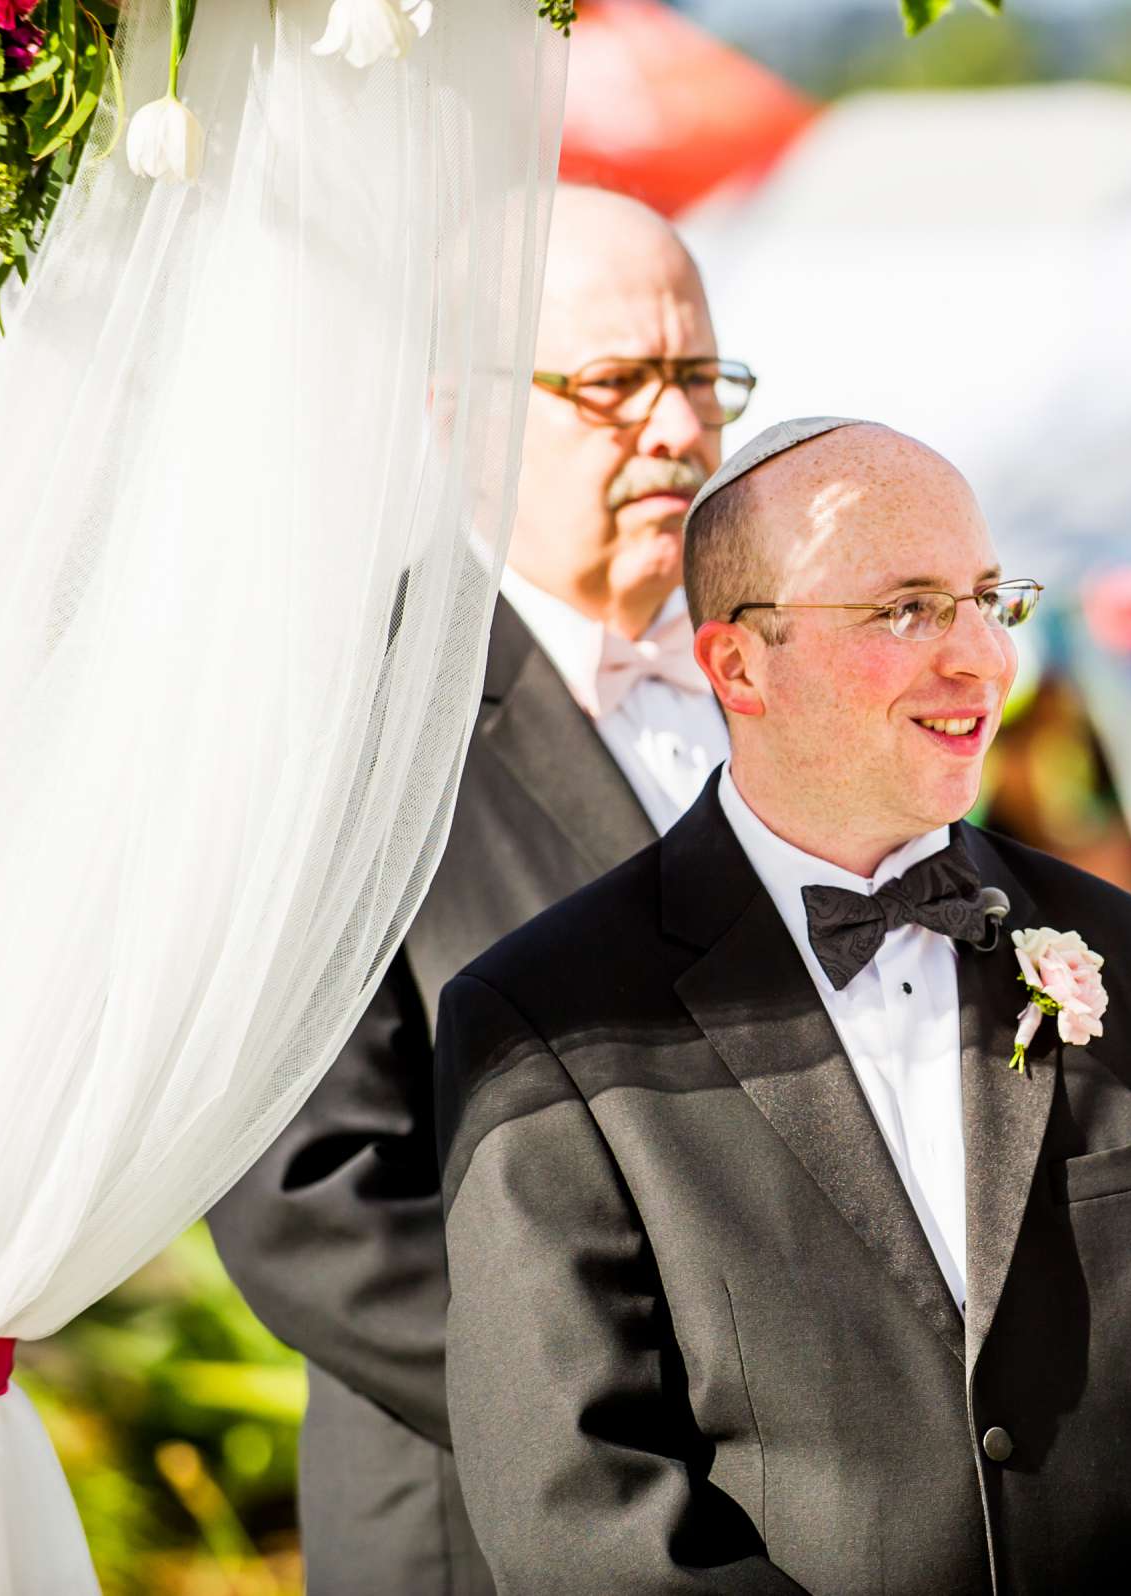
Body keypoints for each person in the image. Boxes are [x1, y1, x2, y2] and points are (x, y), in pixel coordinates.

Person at [432, 417, 1131, 1594]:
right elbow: (580, 1507)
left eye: (986, 599)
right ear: (738, 668)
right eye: (908, 609)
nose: (983, 658)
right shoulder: (547, 1018)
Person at [207, 187, 754, 1596]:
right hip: (496, 1526)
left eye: (702, 380)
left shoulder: (771, 693)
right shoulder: (353, 722)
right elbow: (305, 1197)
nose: (681, 432)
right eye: (619, 385)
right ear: (466, 413)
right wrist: (624, 1428)